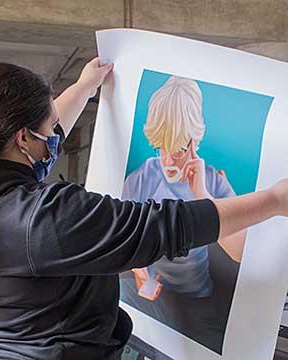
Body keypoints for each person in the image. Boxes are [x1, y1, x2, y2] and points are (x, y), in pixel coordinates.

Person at [0, 58, 288, 360]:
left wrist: (84, 87)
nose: (55, 136)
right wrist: (278, 200)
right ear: (22, 138)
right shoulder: (42, 218)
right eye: (48, 129)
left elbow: (44, 129)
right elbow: (165, 225)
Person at [120, 76, 246, 351]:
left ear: (193, 141)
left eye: (176, 149)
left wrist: (204, 197)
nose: (166, 160)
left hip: (200, 304)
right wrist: (139, 269)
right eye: (160, 146)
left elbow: (242, 252)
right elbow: (120, 239)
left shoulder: (213, 181)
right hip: (153, 299)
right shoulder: (140, 179)